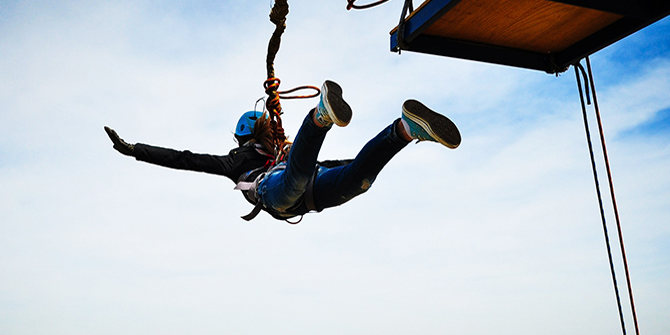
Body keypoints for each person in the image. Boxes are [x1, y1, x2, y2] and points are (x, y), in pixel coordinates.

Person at [104, 80, 461, 221]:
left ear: (241, 134)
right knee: (302, 172)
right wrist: (135, 149)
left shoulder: (280, 154)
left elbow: (183, 158)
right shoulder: (239, 162)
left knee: (359, 181)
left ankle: (403, 130)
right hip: (286, 190)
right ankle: (325, 119)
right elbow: (183, 159)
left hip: (295, 189)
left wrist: (360, 163)